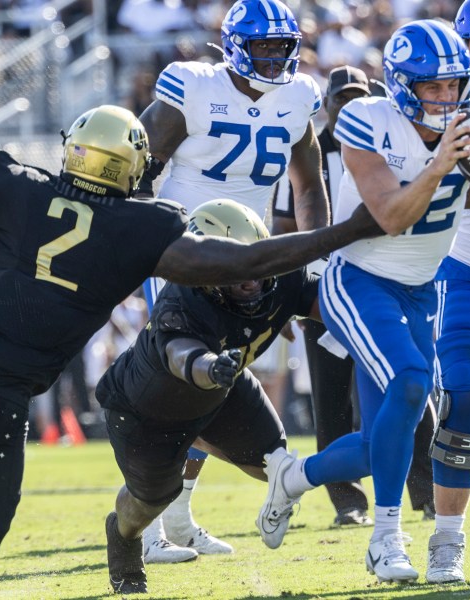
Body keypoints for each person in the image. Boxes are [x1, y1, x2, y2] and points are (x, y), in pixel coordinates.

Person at [0, 103, 381, 579]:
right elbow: (243, 263)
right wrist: (345, 232)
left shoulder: (16, 183)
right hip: (8, 386)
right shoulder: (141, 226)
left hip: (7, 377)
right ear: (133, 166)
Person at [250, 19, 470, 583]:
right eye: (431, 87)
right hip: (359, 278)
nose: (445, 98)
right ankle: (386, 539)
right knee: (412, 381)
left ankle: (292, 477)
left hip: (422, 288)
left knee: (378, 443)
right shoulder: (367, 119)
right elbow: (389, 216)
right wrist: (441, 164)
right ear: (400, 85)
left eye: (453, 86)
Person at [135, 0, 330, 561]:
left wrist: (307, 266)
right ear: (237, 45)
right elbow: (141, 168)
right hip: (184, 253)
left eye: (281, 47)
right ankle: (146, 529)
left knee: (217, 385)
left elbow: (308, 186)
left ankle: (175, 517)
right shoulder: (193, 86)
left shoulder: (297, 97)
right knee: (177, 385)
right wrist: (147, 248)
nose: (273, 58)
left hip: (253, 261)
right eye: (262, 46)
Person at [98, 199, 322, 594]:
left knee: (274, 461)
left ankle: (205, 445)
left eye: (255, 260)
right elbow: (181, 355)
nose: (252, 277)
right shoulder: (182, 299)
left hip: (222, 389)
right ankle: (123, 535)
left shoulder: (280, 276)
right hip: (146, 410)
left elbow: (328, 304)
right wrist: (209, 366)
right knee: (151, 500)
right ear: (208, 272)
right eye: (237, 269)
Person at [272, 65, 435, 527]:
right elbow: (284, 223)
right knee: (332, 397)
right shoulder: (311, 151)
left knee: (408, 387)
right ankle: (348, 501)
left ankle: (424, 490)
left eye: (356, 97)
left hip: (388, 282)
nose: (347, 107)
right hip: (324, 289)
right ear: (325, 106)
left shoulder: (393, 140)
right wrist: (289, 288)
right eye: (340, 100)